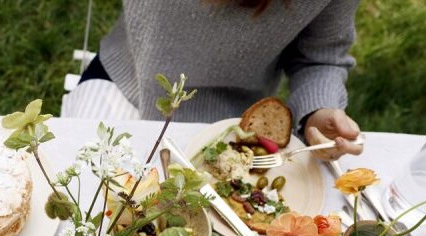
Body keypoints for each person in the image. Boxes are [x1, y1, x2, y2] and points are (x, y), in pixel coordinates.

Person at [62, 0, 363, 161]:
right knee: (81, 208)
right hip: (126, 80)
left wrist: (317, 111)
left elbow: (319, 56)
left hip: (232, 122)